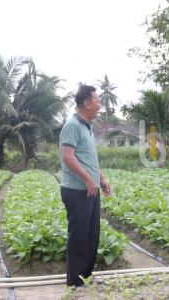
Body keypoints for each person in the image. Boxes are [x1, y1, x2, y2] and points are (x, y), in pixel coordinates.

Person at [59, 85, 111, 287]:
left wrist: (101, 179)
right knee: (79, 236)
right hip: (77, 190)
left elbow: (88, 159)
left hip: (89, 189)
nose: (100, 105)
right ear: (87, 104)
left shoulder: (86, 127)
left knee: (91, 235)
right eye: (97, 101)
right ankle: (75, 282)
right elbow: (68, 157)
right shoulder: (72, 125)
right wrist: (88, 179)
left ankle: (84, 277)